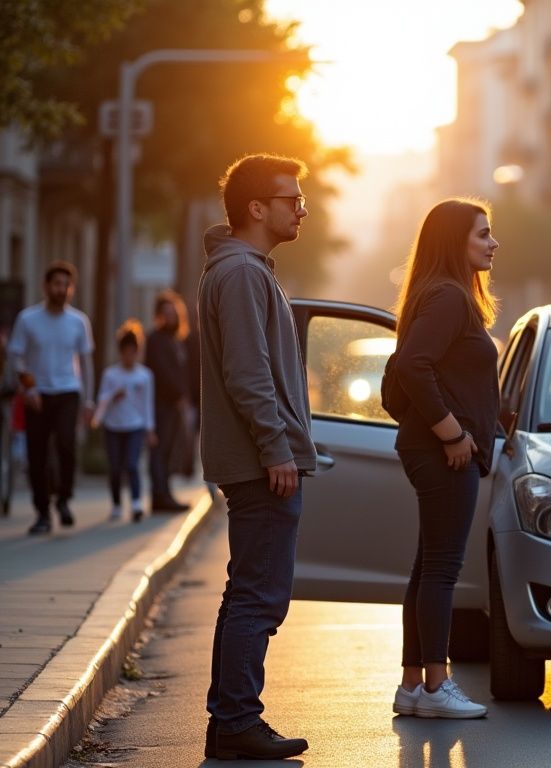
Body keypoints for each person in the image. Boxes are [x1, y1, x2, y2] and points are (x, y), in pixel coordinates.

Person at [199, 154, 315, 761]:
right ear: (256, 208)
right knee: (258, 597)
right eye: (290, 197)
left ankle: (231, 721)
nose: (301, 207)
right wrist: (277, 449)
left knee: (246, 591)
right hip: (258, 462)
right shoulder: (243, 273)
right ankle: (238, 721)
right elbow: (248, 376)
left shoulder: (242, 269)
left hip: (251, 459)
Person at [388, 198, 499, 720]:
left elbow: (443, 372)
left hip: (432, 448)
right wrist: (454, 433)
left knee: (427, 568)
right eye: (483, 234)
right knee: (441, 571)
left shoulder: (443, 296)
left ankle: (412, 685)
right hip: (442, 453)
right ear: (456, 241)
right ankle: (437, 686)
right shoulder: (450, 297)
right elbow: (413, 365)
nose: (493, 243)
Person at [7, 261, 95, 535]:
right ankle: (42, 512)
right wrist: (27, 389)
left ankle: (64, 499)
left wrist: (89, 400)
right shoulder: (28, 319)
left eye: (66, 285)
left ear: (72, 289)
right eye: (56, 284)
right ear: (46, 287)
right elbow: (15, 356)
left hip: (68, 391)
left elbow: (86, 361)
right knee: (38, 453)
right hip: (38, 395)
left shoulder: (78, 321)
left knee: (67, 446)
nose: (61, 289)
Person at [93, 320, 155, 522]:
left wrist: (149, 429)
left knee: (132, 463)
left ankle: (136, 503)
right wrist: (112, 396)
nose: (129, 356)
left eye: (132, 352)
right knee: (115, 467)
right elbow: (102, 398)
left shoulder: (145, 376)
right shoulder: (110, 374)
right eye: (125, 352)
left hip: (135, 426)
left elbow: (147, 404)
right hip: (113, 426)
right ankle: (117, 504)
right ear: (120, 352)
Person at [144, 289, 191, 512]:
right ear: (158, 315)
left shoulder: (176, 340)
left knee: (169, 451)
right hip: (160, 405)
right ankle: (159, 496)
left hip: (173, 404)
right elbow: (162, 373)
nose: (170, 317)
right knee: (160, 451)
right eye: (166, 313)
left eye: (173, 313)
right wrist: (178, 395)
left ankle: (164, 493)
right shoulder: (156, 339)